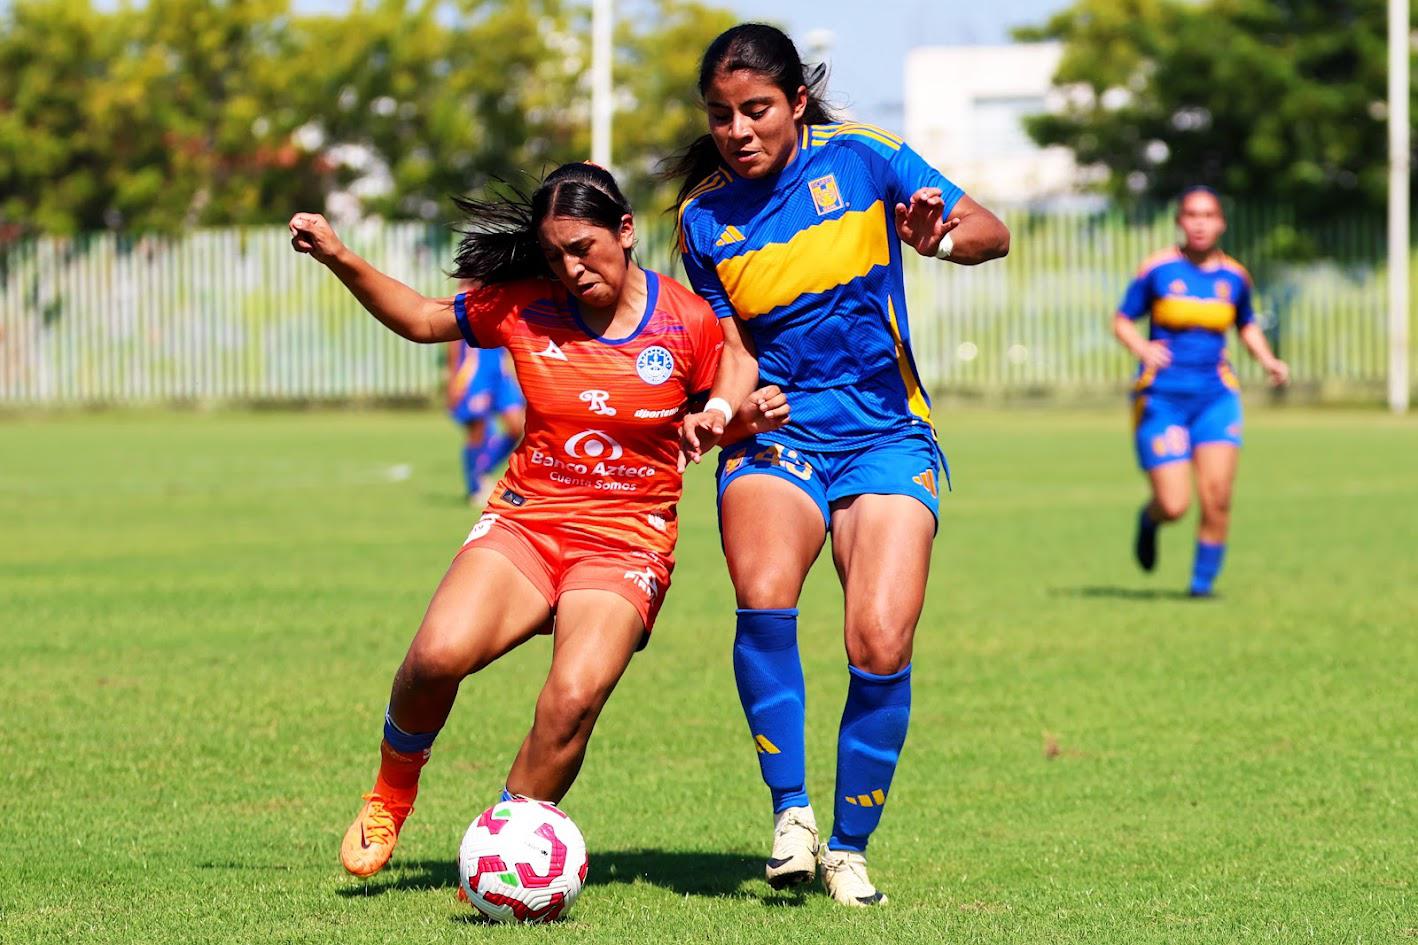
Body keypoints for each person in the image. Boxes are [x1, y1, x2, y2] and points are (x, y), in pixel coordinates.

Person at [288, 162, 788, 881]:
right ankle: (391, 793)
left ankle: (499, 851)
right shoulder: (523, 304)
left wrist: (727, 417)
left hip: (626, 542)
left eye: (583, 247)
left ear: (625, 230)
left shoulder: (685, 319)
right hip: (529, 521)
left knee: (572, 699)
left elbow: (729, 386)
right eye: (555, 254)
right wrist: (339, 255)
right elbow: (424, 319)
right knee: (434, 659)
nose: (570, 267)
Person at [669, 24, 1010, 907]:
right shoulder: (702, 220)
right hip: (774, 435)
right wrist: (724, 407)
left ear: (797, 105)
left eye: (755, 110)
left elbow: (990, 232)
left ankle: (850, 847)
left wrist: (937, 240)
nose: (737, 130)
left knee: (880, 639)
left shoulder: (866, 160)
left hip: (888, 433)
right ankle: (792, 814)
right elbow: (732, 350)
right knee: (766, 593)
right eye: (720, 115)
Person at [1114, 186, 1288, 596]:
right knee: (1175, 504)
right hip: (1162, 399)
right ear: (1179, 221)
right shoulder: (1157, 269)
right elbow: (1122, 319)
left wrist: (1267, 360)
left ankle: (1200, 587)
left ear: (1221, 223)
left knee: (1219, 497)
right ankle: (1150, 520)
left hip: (1216, 398)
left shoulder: (1235, 277)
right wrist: (1142, 347)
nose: (1199, 222)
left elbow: (1245, 323)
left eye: (1208, 215)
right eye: (1191, 214)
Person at [446, 317, 525, 504]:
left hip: (499, 373)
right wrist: (453, 381)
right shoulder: (467, 298)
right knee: (477, 431)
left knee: (517, 427)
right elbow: (454, 343)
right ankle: (475, 488)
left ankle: (483, 469)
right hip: (476, 373)